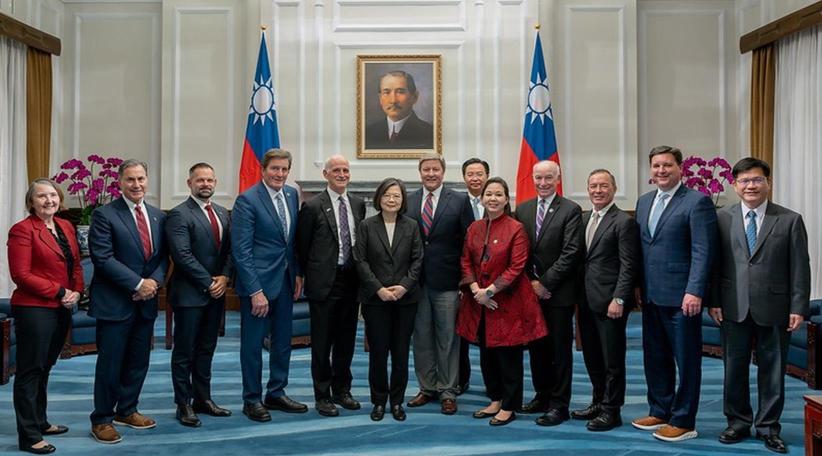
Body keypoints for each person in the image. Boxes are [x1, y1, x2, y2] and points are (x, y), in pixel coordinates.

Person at [708, 157, 810, 453]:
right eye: (744, 181)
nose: (751, 185)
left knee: (773, 370)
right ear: (735, 185)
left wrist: (798, 307)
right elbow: (716, 264)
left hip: (776, 307)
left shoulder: (789, 219)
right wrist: (714, 301)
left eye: (757, 180)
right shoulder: (722, 217)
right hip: (732, 306)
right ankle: (737, 422)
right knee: (734, 368)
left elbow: (801, 267)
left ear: (768, 183)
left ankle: (768, 428)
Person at [631, 145, 717, 442]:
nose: (661, 171)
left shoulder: (697, 202)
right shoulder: (643, 202)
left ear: (680, 168)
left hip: (683, 299)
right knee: (655, 357)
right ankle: (660, 409)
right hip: (652, 296)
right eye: (656, 166)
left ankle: (684, 420)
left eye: (667, 165)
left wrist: (695, 290)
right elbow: (643, 249)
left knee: (687, 360)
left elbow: (703, 251)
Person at [88, 160, 168, 444]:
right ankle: (102, 419)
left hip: (144, 303)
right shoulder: (104, 214)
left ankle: (127, 409)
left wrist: (154, 284)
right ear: (120, 182)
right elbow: (102, 257)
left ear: (148, 180)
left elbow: (161, 258)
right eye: (131, 179)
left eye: (141, 179)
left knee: (138, 361)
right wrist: (138, 284)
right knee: (110, 364)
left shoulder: (158, 216)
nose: (137, 185)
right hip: (115, 302)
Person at [456, 177, 547, 427]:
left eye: (498, 194)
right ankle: (495, 398)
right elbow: (465, 260)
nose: (493, 199)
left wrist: (491, 291)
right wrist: (477, 290)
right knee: (487, 354)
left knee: (508, 356)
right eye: (489, 194)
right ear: (482, 198)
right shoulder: (474, 227)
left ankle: (509, 405)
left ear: (506, 199)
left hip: (507, 303)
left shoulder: (515, 228)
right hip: (480, 303)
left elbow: (516, 267)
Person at [7, 178, 83, 454]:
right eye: (41, 196)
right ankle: (28, 436)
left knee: (45, 367)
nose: (48, 200)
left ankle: (40, 421)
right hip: (34, 309)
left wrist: (76, 291)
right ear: (31, 202)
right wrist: (61, 291)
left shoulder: (65, 226)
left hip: (62, 307)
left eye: (52, 195)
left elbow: (75, 263)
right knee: (30, 371)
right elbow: (21, 275)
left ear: (59, 198)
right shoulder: (22, 231)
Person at [231, 148, 306, 422]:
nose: (280, 174)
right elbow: (241, 251)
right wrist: (255, 291)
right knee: (252, 346)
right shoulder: (247, 200)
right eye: (275, 169)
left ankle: (276, 391)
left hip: (285, 282)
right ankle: (252, 399)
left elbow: (290, 243)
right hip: (258, 288)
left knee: (282, 342)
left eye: (285, 169)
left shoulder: (291, 194)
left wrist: (297, 275)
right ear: (263, 170)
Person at [514, 160, 583, 426]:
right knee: (536, 348)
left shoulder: (571, 210)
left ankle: (559, 404)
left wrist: (545, 283)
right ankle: (542, 395)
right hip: (530, 294)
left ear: (558, 179)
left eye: (548, 178)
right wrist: (530, 284)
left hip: (558, 294)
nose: (543, 183)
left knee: (559, 351)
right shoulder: (523, 210)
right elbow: (520, 252)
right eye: (538, 178)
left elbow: (571, 253)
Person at [296, 154, 366, 417]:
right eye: (336, 170)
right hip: (324, 282)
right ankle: (322, 395)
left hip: (351, 281)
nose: (342, 174)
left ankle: (342, 389)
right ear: (325, 174)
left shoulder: (358, 204)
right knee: (322, 342)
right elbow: (302, 247)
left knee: (346, 340)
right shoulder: (313, 206)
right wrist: (306, 274)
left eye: (346, 170)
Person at [405, 153, 473, 415]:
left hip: (448, 282)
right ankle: (427, 388)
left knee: (448, 339)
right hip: (416, 282)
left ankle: (447, 390)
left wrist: (465, 282)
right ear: (420, 172)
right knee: (421, 338)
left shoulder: (459, 200)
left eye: (435, 169)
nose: (431, 173)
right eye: (426, 169)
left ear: (443, 172)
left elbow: (469, 244)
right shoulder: (408, 200)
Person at [165, 163, 233, 427]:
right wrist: (209, 282)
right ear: (189, 183)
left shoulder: (222, 213)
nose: (205, 184)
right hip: (190, 294)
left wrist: (225, 278)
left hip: (216, 293)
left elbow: (229, 251)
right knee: (184, 351)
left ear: (215, 183)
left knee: (207, 348)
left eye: (210, 180)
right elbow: (181, 255)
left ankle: (202, 399)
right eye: (200, 180)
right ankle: (183, 404)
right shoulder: (179, 214)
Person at [573, 169, 640, 432]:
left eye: (603, 186)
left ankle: (612, 411)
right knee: (591, 356)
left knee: (612, 360)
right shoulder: (584, 218)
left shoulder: (623, 221)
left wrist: (620, 299)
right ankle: (598, 401)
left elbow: (629, 265)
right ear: (587, 189)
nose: (598, 190)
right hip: (586, 301)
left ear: (613, 189)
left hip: (611, 303)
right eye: (593, 186)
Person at [354, 178, 423, 422]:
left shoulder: (412, 225)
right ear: (379, 198)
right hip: (376, 301)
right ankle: (379, 401)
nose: (392, 200)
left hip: (406, 300)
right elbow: (360, 261)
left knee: (401, 354)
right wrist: (379, 289)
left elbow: (418, 261)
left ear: (402, 200)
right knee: (378, 354)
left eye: (396, 196)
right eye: (387, 195)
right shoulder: (366, 226)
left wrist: (404, 287)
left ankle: (397, 402)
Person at [457, 157, 489, 394]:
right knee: (461, 334)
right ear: (464, 177)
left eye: (479, 174)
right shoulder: (455, 203)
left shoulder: (497, 201)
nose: (475, 178)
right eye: (470, 174)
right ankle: (461, 379)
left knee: (490, 334)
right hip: (465, 280)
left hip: (493, 283)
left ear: (487, 176)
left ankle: (493, 383)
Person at [365, 71, 433, 149]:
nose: (393, 100)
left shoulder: (429, 133)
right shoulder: (368, 133)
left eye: (400, 92)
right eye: (386, 92)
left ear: (414, 97)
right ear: (380, 98)